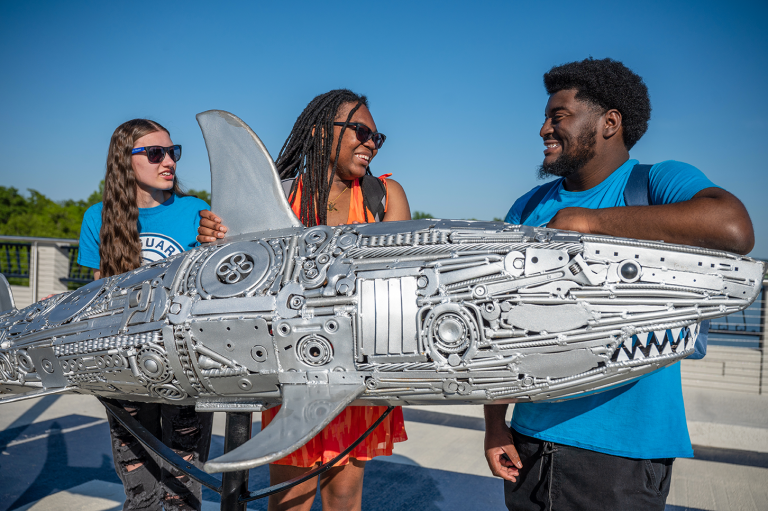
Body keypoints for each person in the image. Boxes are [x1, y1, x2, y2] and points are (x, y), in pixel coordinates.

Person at [483, 58, 754, 511]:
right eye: (546, 116)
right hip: (529, 440)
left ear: (610, 122)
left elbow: (733, 228)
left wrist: (588, 222)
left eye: (559, 116)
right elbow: (494, 325)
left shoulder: (657, 181)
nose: (544, 128)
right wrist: (495, 424)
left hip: (624, 456)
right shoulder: (527, 206)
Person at [197, 89, 411, 511]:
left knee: (343, 500)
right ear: (318, 131)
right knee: (287, 502)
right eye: (361, 131)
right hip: (292, 370)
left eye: (377, 137)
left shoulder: (385, 196)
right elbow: (238, 285)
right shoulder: (276, 199)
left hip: (354, 371)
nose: (371, 143)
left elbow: (393, 280)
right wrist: (212, 244)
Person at [78, 119, 213, 511]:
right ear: (125, 160)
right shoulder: (97, 217)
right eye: (156, 153)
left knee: (182, 494)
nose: (168, 161)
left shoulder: (196, 211)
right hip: (123, 368)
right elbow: (98, 296)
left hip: (183, 365)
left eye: (173, 152)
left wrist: (217, 244)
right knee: (141, 493)